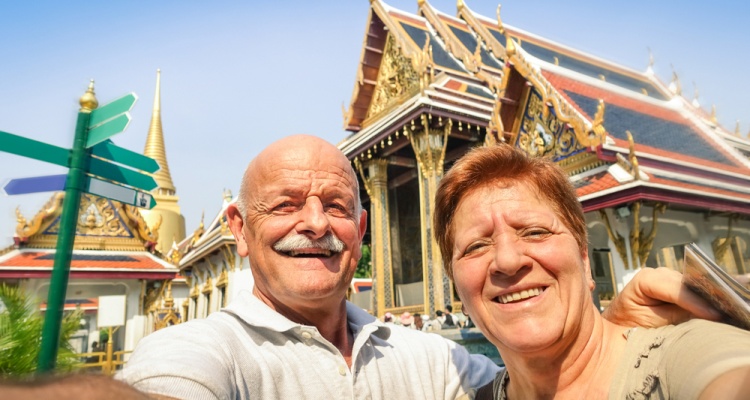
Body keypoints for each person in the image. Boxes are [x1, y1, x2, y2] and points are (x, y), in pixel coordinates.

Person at [6, 134, 718, 399]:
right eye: (286, 205)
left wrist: (613, 323)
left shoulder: (435, 364)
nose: (315, 224)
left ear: (362, 230)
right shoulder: (200, 350)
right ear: (237, 232)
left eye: (337, 206)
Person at [433, 144, 750, 399]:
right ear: (458, 290)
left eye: (534, 232)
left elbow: (729, 377)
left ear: (585, 261)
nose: (508, 261)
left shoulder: (677, 356)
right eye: (476, 247)